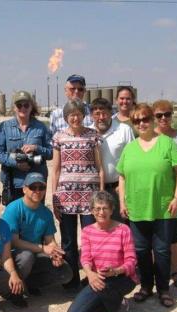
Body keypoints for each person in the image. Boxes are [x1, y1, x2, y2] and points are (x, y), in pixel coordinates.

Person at [117, 103, 177, 308]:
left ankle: (163, 289)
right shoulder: (130, 148)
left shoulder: (167, 143)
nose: (141, 123)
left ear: (152, 120)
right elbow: (122, 176)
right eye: (136, 121)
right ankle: (146, 286)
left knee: (162, 250)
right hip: (137, 207)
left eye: (145, 119)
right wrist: (122, 201)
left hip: (163, 207)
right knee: (141, 250)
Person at [52, 99, 105, 291]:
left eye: (78, 114)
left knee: (90, 238)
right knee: (68, 240)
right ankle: (71, 279)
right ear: (66, 117)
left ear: (83, 115)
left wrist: (100, 195)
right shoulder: (59, 137)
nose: (75, 118)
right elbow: (56, 169)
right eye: (71, 114)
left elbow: (100, 168)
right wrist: (54, 197)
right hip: (66, 196)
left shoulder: (93, 135)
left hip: (90, 196)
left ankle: (93, 278)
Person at [67, 191, 138, 312]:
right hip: (98, 278)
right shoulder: (87, 231)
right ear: (92, 211)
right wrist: (90, 274)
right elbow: (85, 258)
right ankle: (117, 304)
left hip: (122, 278)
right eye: (97, 209)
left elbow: (131, 260)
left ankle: (117, 307)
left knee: (107, 285)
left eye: (105, 208)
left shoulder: (123, 229)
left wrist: (116, 271)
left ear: (111, 210)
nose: (101, 212)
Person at [2, 172, 72, 297]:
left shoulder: (46, 213)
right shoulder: (13, 208)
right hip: (15, 255)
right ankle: (11, 289)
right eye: (33, 187)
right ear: (24, 189)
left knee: (66, 273)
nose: (37, 191)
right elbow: (14, 241)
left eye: (41, 188)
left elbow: (50, 240)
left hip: (37, 253)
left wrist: (55, 254)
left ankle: (27, 285)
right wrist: (43, 248)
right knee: (27, 257)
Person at [153, 99, 177, 288]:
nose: (163, 118)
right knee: (154, 235)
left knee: (173, 235)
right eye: (159, 115)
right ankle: (157, 271)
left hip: (173, 195)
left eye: (167, 114)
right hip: (154, 194)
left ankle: (175, 271)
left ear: (172, 115)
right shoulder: (148, 137)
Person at [0, 90, 52, 204]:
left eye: (26, 105)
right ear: (14, 107)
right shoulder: (5, 127)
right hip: (13, 182)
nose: (23, 108)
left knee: (35, 218)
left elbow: (51, 153)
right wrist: (15, 163)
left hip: (36, 184)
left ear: (31, 107)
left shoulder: (41, 127)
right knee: (14, 218)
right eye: (19, 105)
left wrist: (36, 148)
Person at [90, 97, 135, 221]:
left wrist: (125, 186)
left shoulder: (124, 130)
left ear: (111, 113)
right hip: (95, 189)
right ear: (91, 116)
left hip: (118, 188)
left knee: (120, 226)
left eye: (104, 113)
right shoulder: (87, 132)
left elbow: (132, 160)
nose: (101, 117)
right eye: (97, 114)